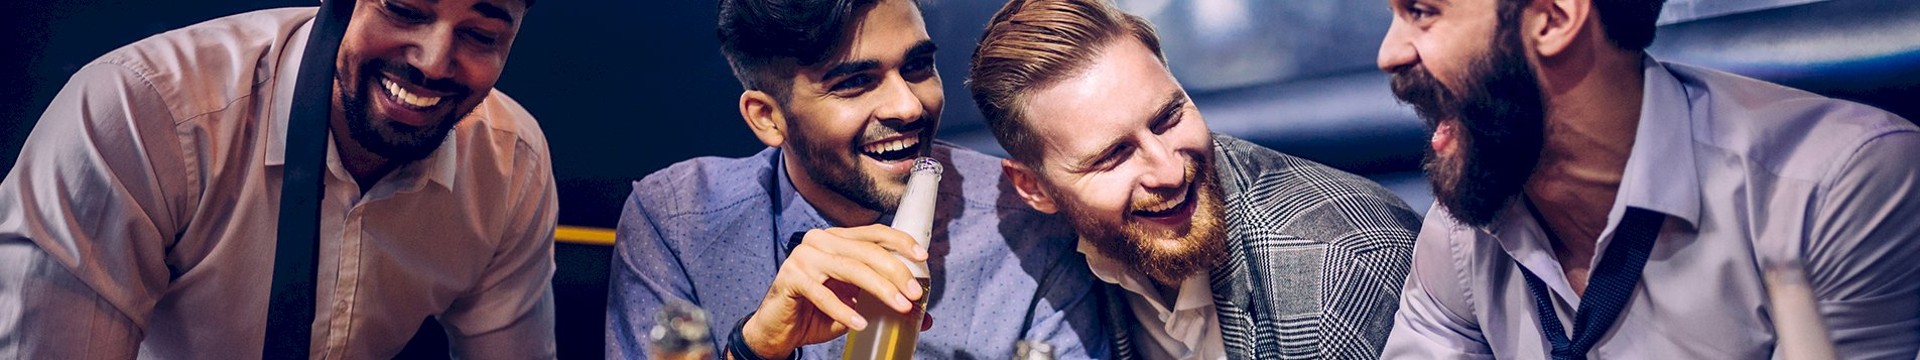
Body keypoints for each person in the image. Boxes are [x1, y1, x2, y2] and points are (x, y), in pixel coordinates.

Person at [0, 0, 555, 358]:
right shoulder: (141, 115)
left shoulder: (512, 165)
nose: (434, 63)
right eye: (404, 9)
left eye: (481, 35)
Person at [1373, 0, 1920, 357]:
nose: (1388, 54)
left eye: (1423, 12)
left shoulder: (1835, 186)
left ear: (1555, 18)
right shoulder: (1468, 212)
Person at [604, 0, 1107, 358]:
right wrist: (756, 348)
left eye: (917, 66)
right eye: (854, 83)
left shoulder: (1029, 220)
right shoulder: (676, 221)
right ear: (767, 118)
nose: (909, 106)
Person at [967, 0, 1423, 358]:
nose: (1169, 170)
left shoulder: (1336, 268)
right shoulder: (1044, 260)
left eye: (1168, 117)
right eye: (1114, 155)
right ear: (1034, 188)